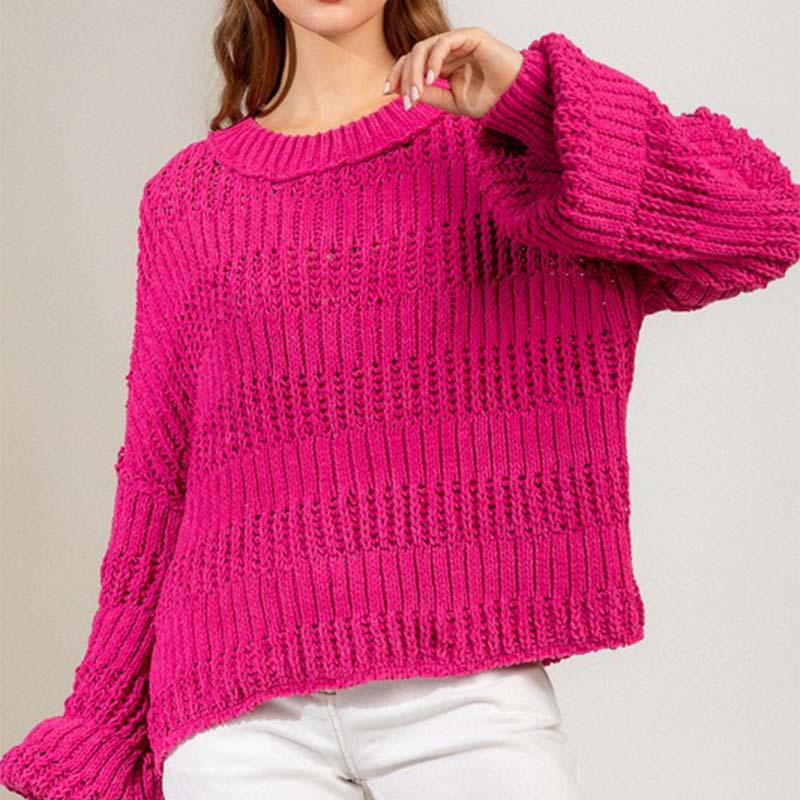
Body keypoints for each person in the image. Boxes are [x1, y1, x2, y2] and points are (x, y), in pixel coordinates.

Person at [1, 1, 799, 798]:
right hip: (236, 719)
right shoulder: (187, 201)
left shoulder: (508, 149)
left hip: (465, 700)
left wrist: (529, 102)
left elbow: (764, 220)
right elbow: (158, 480)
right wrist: (101, 724)